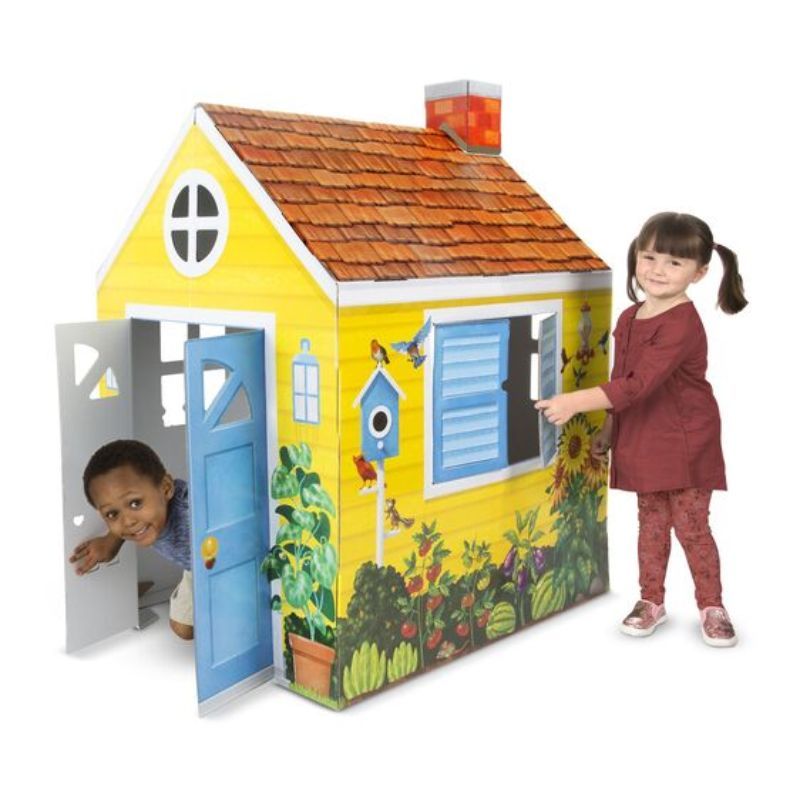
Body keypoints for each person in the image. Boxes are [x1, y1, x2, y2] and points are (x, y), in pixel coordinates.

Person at [535, 212, 747, 647]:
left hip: (686, 439)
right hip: (645, 435)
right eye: (649, 257)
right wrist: (610, 429)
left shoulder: (682, 322)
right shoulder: (631, 317)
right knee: (650, 523)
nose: (657, 270)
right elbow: (622, 375)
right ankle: (651, 600)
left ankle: (712, 605)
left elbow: (638, 384)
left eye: (674, 262)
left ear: (699, 272)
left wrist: (573, 403)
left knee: (691, 526)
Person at [69, 440, 194, 640]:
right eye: (112, 514)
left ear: (166, 488)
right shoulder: (145, 521)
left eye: (135, 503)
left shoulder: (191, 509)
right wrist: (111, 541)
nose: (128, 522)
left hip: (227, 560)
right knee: (182, 629)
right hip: (196, 567)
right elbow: (124, 525)